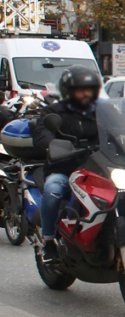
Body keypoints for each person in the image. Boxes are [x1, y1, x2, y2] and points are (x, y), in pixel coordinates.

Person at [31, 66, 102, 262]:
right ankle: (49, 241)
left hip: (98, 168)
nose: (85, 93)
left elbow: (121, 126)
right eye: (80, 89)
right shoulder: (53, 112)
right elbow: (42, 134)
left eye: (89, 88)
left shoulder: (102, 110)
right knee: (53, 190)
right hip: (65, 168)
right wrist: (53, 145)